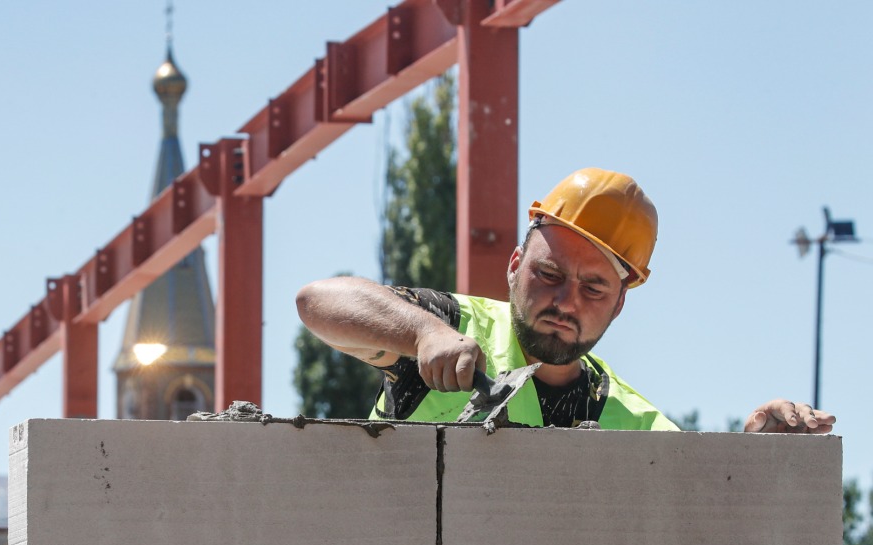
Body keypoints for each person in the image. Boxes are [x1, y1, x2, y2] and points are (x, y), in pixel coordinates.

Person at [296, 167, 835, 434]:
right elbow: (317, 301)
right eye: (549, 273)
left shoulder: (631, 422)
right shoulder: (452, 327)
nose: (565, 301)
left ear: (619, 304)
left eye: (593, 288)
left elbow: (697, 515)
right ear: (514, 266)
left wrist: (751, 459)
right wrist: (421, 333)